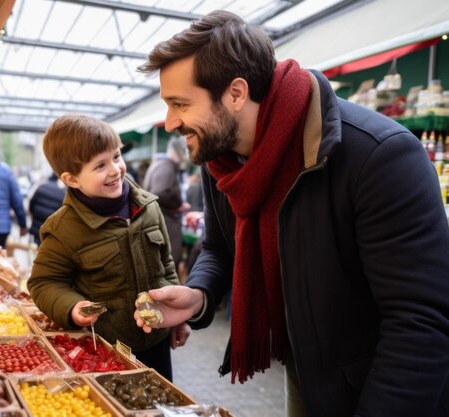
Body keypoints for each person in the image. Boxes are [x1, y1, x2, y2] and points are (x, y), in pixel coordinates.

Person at [133, 10, 449, 417]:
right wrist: (199, 295)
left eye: (180, 104)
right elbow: (218, 247)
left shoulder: (379, 156)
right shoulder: (221, 163)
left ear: (236, 93)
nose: (170, 122)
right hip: (305, 369)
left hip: (382, 387)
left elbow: (421, 322)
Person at [27, 114, 189, 381]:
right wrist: (72, 307)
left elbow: (167, 265)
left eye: (116, 157)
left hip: (157, 340)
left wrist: (178, 316)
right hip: (105, 348)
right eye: (100, 165)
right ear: (72, 179)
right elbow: (44, 283)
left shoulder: (149, 207)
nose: (115, 170)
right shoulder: (63, 229)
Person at [143, 137, 191, 270]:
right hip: (166, 220)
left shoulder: (158, 163)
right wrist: (178, 205)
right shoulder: (166, 165)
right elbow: (160, 192)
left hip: (160, 218)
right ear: (179, 153)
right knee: (168, 261)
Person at [28, 172, 66, 245]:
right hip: (51, 231)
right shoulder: (63, 193)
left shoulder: (42, 187)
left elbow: (31, 206)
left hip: (37, 228)